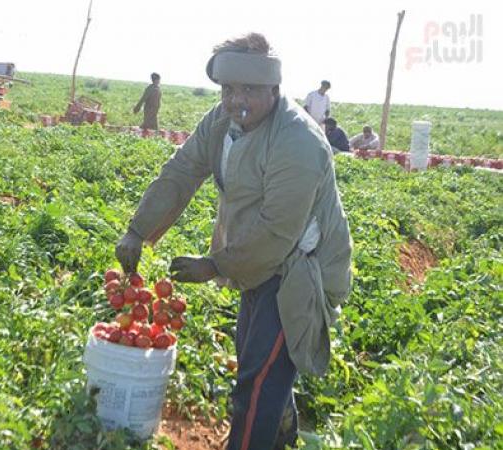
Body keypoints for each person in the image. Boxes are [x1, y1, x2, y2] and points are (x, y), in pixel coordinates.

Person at [115, 33, 352, 450]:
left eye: (249, 90)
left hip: (298, 270)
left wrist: (214, 265)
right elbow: (183, 169)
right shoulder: (224, 121)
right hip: (256, 262)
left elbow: (278, 232)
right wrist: (138, 229)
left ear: (274, 90)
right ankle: (278, 433)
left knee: (256, 387)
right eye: (228, 89)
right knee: (257, 363)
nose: (236, 100)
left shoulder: (297, 142)